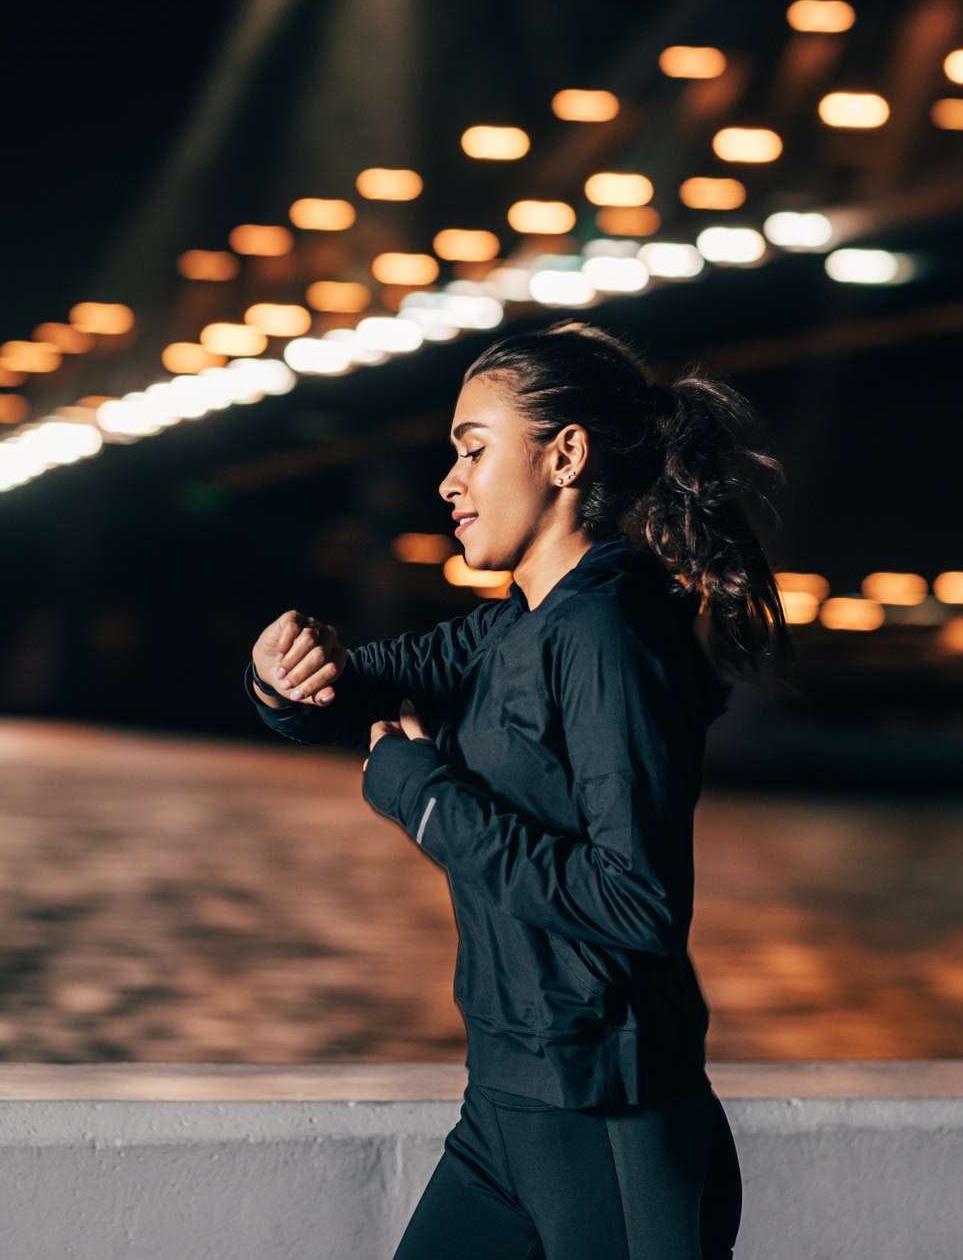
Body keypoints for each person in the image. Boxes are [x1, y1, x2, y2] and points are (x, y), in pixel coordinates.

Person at [241, 319, 796, 1257]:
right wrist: (279, 677)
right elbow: (350, 685)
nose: (448, 482)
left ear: (564, 455)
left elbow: (638, 901)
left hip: (608, 1112)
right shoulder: (510, 630)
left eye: (473, 450)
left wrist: (426, 798)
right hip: (504, 1106)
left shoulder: (608, 637)